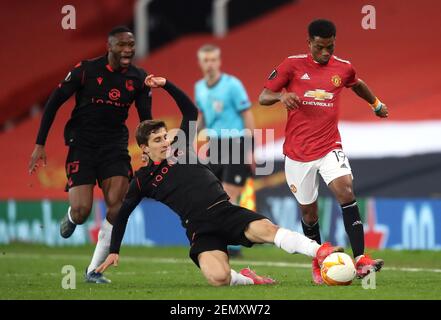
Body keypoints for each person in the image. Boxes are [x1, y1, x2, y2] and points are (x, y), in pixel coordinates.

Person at [95, 75, 343, 287]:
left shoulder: (181, 146)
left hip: (224, 211)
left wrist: (166, 84)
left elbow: (190, 111)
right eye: (157, 140)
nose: (165, 142)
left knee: (268, 231)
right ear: (144, 148)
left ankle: (320, 251)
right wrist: (114, 249)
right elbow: (123, 213)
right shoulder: (141, 181)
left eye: (164, 136)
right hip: (199, 228)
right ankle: (247, 279)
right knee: (219, 278)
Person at [259, 19, 387, 284]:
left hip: (330, 145)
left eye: (330, 47)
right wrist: (282, 97)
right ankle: (318, 261)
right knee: (309, 213)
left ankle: (361, 260)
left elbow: (357, 83)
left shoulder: (343, 67)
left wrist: (375, 104)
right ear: (309, 43)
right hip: (297, 152)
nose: (325, 52)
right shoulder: (291, 65)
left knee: (346, 190)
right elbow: (263, 96)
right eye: (320, 47)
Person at [28, 26, 152, 284]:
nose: (128, 49)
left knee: (117, 207)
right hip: (82, 146)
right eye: (122, 45)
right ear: (109, 47)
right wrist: (40, 144)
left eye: (131, 44)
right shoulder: (86, 70)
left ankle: (93, 271)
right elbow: (54, 101)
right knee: (83, 209)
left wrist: (148, 149)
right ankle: (73, 217)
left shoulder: (138, 79)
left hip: (114, 148)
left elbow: (145, 119)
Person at [195, 44, 255, 258]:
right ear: (200, 63)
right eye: (206, 60)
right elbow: (202, 116)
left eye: (213, 60)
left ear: (219, 62)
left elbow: (247, 115)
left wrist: (250, 149)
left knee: (229, 195)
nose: (210, 64)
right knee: (214, 194)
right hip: (214, 145)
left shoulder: (232, 85)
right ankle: (227, 239)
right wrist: (191, 139)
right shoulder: (199, 87)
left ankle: (233, 243)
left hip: (236, 142)